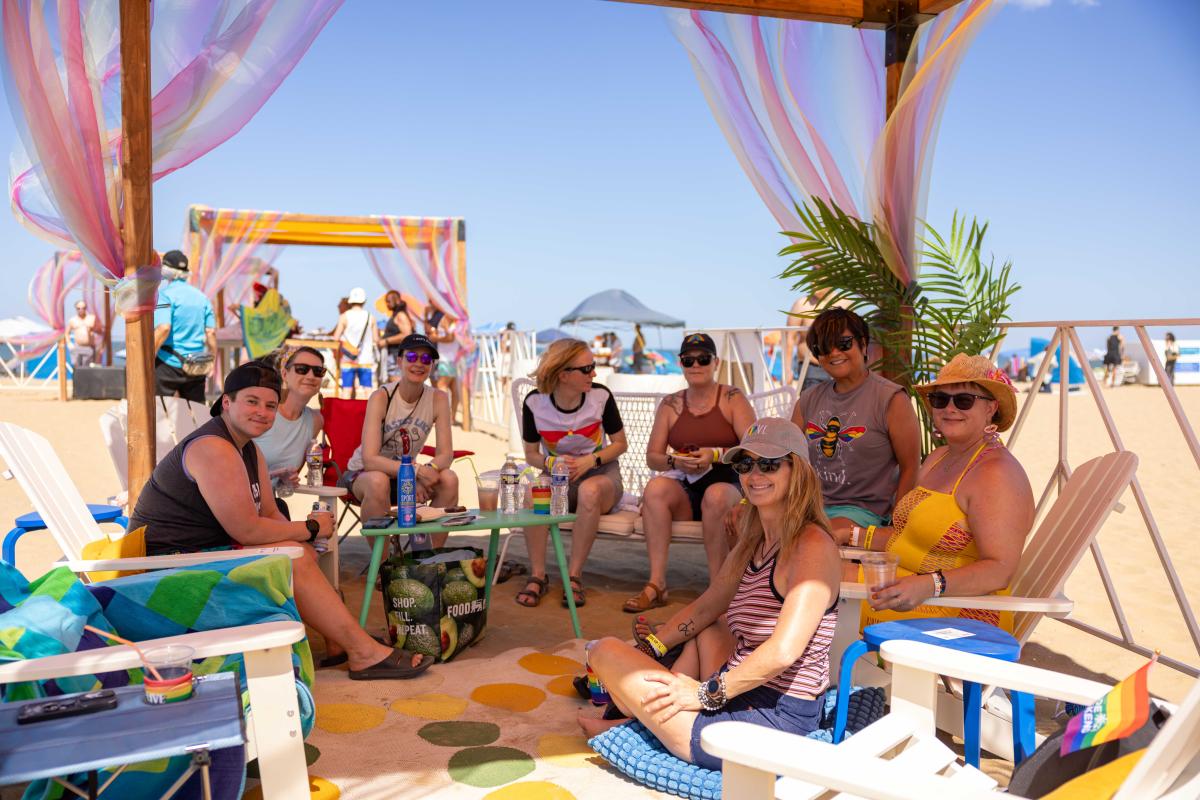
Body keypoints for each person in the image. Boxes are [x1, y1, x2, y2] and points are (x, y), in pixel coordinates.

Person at [129, 361, 430, 679]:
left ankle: (340, 643)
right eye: (252, 401)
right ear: (227, 403)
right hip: (166, 569)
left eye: (271, 405)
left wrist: (306, 537)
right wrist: (312, 527)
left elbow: (269, 514)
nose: (262, 412)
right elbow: (246, 528)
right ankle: (362, 652)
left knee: (301, 552)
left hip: (204, 552)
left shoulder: (248, 449)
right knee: (294, 559)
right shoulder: (213, 448)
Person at [578, 418, 841, 771]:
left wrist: (706, 692)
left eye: (769, 464)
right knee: (710, 628)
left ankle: (644, 718)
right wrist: (652, 647)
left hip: (779, 718)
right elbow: (708, 607)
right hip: (746, 689)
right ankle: (647, 713)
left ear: (799, 472)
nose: (754, 474)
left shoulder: (812, 544)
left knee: (604, 650)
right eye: (745, 465)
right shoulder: (755, 541)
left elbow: (783, 651)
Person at [847, 354, 1035, 633]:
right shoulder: (939, 457)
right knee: (811, 568)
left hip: (964, 614)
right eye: (940, 399)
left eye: (963, 401)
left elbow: (999, 570)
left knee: (814, 588)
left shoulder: (996, 474)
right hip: (915, 589)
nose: (950, 408)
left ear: (991, 408)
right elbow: (910, 537)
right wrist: (850, 535)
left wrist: (930, 584)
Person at [630, 333, 756, 611]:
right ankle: (656, 583)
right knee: (655, 489)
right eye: (689, 360)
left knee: (716, 494)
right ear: (681, 363)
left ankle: (717, 589)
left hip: (728, 484)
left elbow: (753, 448)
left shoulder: (732, 397)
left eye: (703, 359)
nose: (696, 365)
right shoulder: (671, 404)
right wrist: (676, 462)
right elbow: (653, 457)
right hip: (687, 484)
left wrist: (714, 455)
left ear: (715, 362)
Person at [516, 338, 629, 609]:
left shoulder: (600, 397)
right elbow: (531, 454)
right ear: (563, 374)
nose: (594, 373)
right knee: (534, 494)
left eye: (593, 366)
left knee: (590, 491)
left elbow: (621, 444)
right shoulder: (535, 403)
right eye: (587, 368)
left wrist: (591, 460)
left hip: (602, 477)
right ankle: (538, 575)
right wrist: (550, 463)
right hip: (560, 480)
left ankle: (574, 576)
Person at [788, 307, 921, 535]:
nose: (833, 353)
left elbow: (910, 467)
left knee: (816, 536)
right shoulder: (809, 399)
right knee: (745, 523)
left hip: (866, 511)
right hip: (811, 507)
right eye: (822, 348)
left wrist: (897, 528)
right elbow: (787, 458)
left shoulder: (891, 399)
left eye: (843, 343)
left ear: (863, 343)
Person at [340, 334, 459, 547]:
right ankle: (384, 568)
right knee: (378, 480)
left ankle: (425, 561)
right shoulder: (381, 396)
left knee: (449, 478)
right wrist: (417, 472)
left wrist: (427, 470)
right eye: (412, 356)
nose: (418, 364)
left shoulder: (438, 398)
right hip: (362, 477)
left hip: (404, 479)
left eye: (426, 360)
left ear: (432, 365)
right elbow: (370, 460)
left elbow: (445, 455)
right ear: (399, 361)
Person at [254, 347, 326, 519]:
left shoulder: (315, 421)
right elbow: (233, 468)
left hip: (269, 507)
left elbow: (285, 485)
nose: (310, 376)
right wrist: (272, 476)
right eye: (302, 369)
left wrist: (286, 481)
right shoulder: (264, 411)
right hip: (238, 502)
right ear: (285, 374)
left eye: (318, 371)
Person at [154, 250, 216, 404]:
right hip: (196, 364)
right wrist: (212, 361)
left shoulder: (164, 295)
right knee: (195, 415)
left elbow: (163, 328)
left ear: (166, 269)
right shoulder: (202, 298)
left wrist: (148, 357)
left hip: (167, 363)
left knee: (161, 412)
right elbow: (211, 332)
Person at [332, 287, 379, 399]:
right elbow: (376, 339)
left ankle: (345, 415)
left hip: (348, 359)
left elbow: (336, 337)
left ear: (350, 301)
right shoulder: (370, 317)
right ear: (364, 301)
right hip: (365, 359)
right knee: (368, 391)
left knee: (346, 391)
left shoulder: (344, 316)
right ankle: (370, 415)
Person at [379, 290, 415, 377]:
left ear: (396, 301)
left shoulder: (400, 315)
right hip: (394, 356)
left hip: (398, 357)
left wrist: (386, 341)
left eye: (388, 301)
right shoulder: (396, 315)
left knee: (397, 387)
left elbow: (407, 335)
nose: (387, 304)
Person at [66, 299, 101, 367]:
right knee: (76, 368)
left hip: (89, 347)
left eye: (83, 308)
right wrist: (69, 343)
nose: (81, 310)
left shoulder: (92, 318)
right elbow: (67, 333)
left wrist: (92, 330)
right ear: (76, 309)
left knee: (87, 369)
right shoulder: (72, 320)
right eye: (78, 308)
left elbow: (99, 331)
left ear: (86, 308)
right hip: (77, 347)